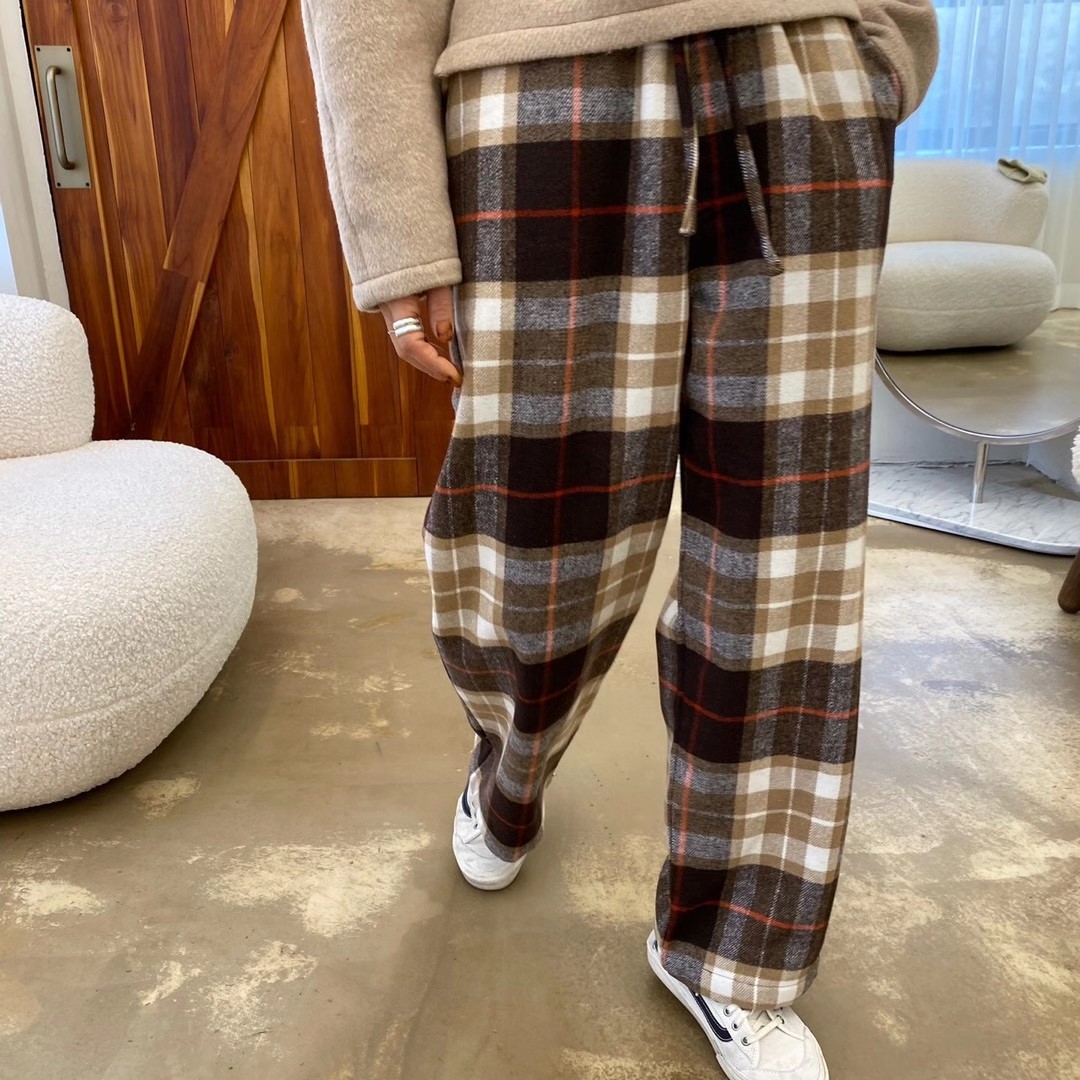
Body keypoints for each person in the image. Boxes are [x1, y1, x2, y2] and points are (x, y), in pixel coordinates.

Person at [299, 2, 939, 1076]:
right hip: (546, 91)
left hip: (801, 75)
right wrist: (399, 229)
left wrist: (881, 46)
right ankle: (508, 774)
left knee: (787, 568)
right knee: (537, 550)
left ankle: (731, 953)